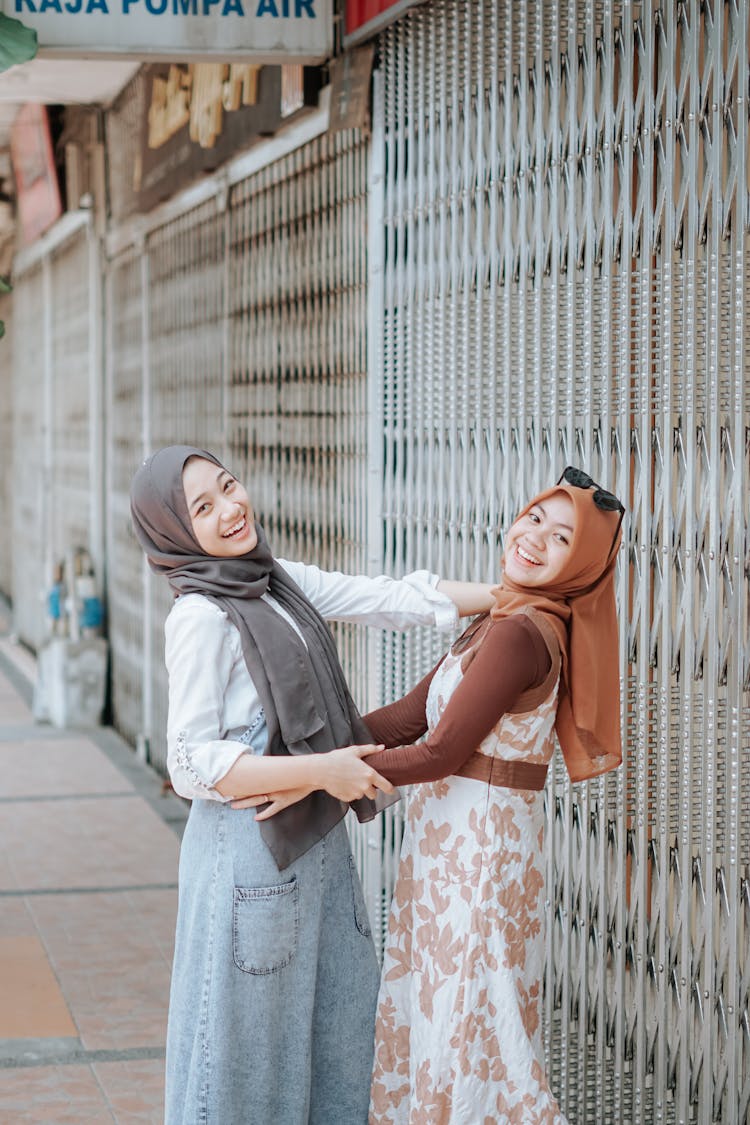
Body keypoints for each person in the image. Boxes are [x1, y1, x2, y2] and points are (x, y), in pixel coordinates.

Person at [129, 444, 493, 1125]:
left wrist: (507, 597)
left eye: (229, 486)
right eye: (202, 507)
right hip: (249, 857)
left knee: (337, 1045)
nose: (231, 508)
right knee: (246, 1067)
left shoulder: (274, 579)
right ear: (174, 531)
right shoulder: (201, 615)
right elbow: (188, 760)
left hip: (316, 847)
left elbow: (386, 598)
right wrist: (323, 769)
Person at [256, 467, 624, 1123]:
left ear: (582, 565)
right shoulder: (502, 617)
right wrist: (296, 757)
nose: (535, 538)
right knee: (450, 1019)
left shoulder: (522, 632)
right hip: (455, 854)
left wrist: (318, 776)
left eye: (562, 538)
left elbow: (441, 752)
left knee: (477, 1029)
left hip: (478, 861)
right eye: (535, 517)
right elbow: (409, 715)